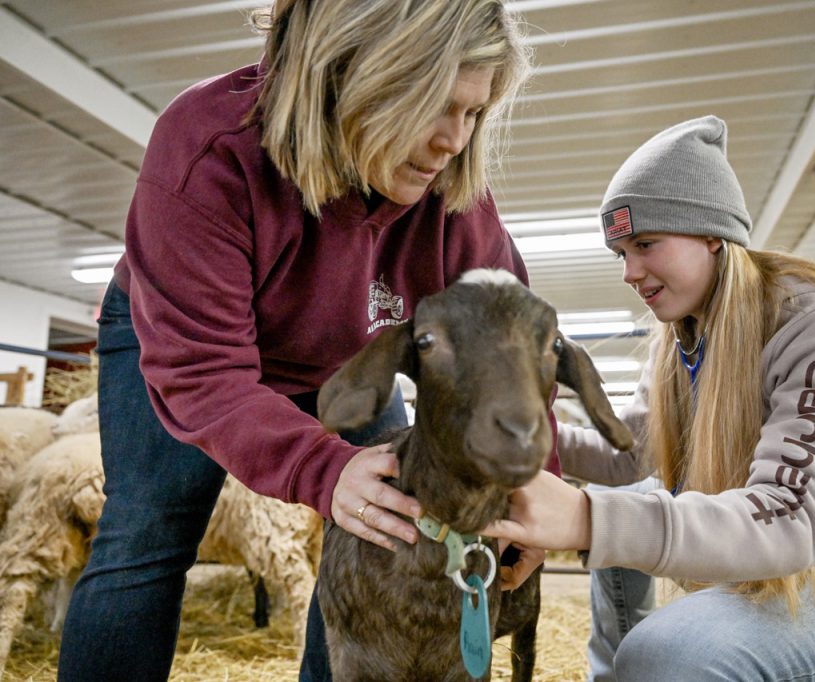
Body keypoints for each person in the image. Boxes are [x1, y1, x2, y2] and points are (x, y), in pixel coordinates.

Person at [56, 2, 548, 681]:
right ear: (359, 76)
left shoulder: (454, 200)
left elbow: (513, 346)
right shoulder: (209, 148)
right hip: (183, 341)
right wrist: (322, 468)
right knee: (148, 533)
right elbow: (204, 372)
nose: (454, 142)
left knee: (382, 519)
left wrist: (531, 486)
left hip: (344, 351)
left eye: (473, 114)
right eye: (437, 106)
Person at [485, 115, 815, 681]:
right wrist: (515, 441)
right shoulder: (683, 340)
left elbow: (790, 522)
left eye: (645, 244)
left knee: (666, 653)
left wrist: (586, 519)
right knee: (632, 555)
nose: (629, 271)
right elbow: (628, 457)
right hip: (782, 593)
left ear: (712, 233)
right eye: (620, 252)